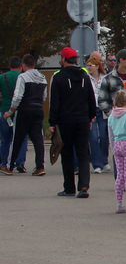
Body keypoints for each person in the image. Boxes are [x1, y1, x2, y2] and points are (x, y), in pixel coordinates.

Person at [47, 47, 97, 198]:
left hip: (65, 120)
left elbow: (55, 102)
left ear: (63, 59)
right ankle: (83, 186)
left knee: (67, 153)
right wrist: (91, 116)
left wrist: (52, 123)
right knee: (83, 153)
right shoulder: (85, 76)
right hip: (82, 119)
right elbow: (91, 97)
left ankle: (69, 188)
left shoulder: (58, 77)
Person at [2, 54, 47, 176]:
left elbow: (17, 96)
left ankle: (10, 166)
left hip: (24, 110)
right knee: (38, 139)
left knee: (17, 138)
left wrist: (11, 111)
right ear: (34, 64)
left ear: (23, 65)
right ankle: (40, 166)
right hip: (38, 109)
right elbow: (44, 96)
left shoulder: (23, 77)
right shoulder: (42, 78)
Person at [1, 56, 28, 173]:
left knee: (5, 138)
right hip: (20, 110)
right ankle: (20, 162)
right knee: (21, 137)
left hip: (5, 110)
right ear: (20, 66)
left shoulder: (2, 78)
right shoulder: (23, 77)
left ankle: (4, 162)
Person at [85, 55, 109, 173]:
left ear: (97, 66)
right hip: (91, 109)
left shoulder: (105, 78)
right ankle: (97, 164)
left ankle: (104, 160)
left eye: (91, 66)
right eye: (87, 66)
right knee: (93, 137)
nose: (89, 68)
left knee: (104, 136)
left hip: (103, 109)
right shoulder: (86, 78)